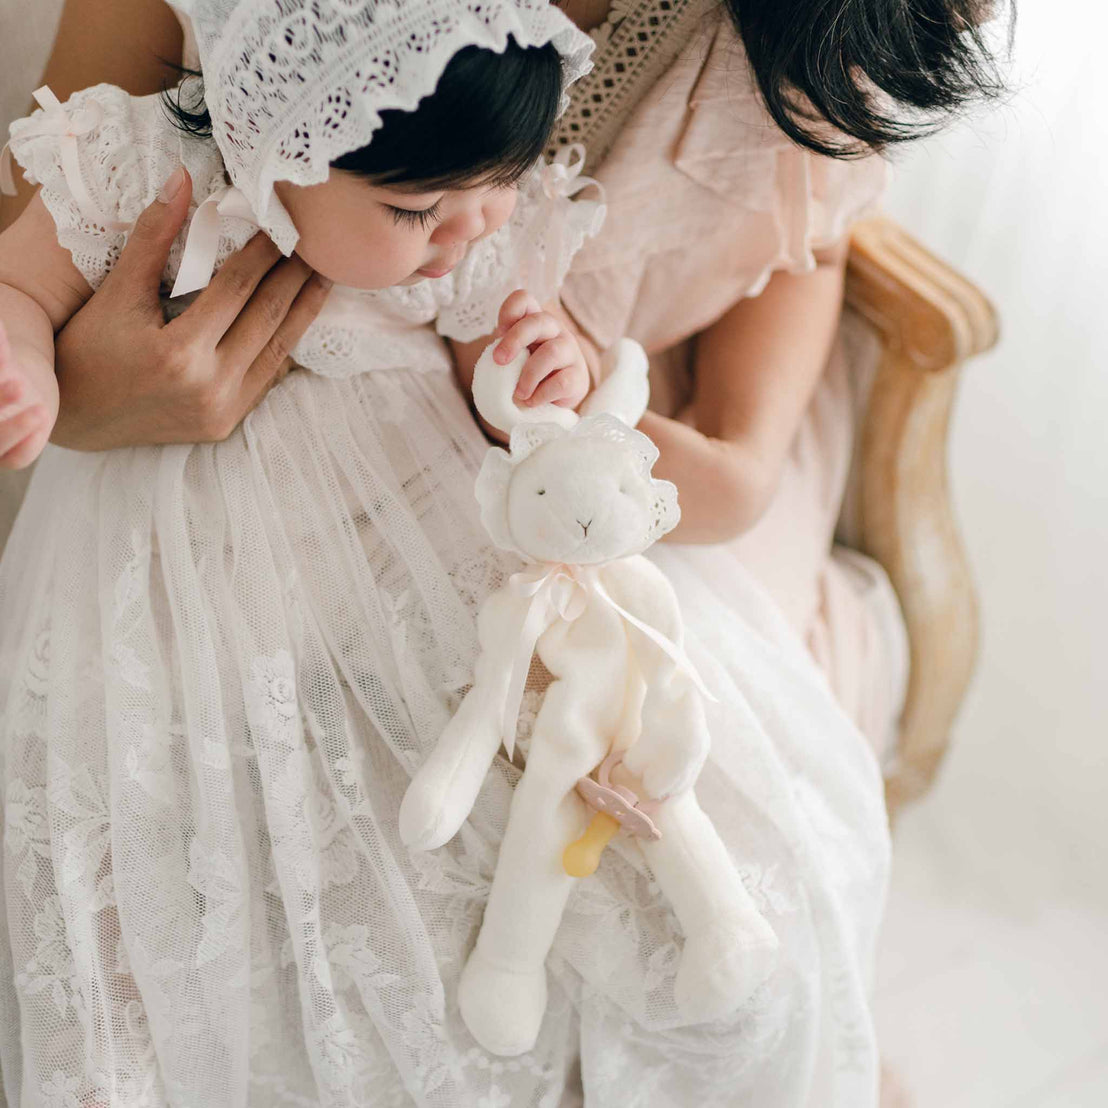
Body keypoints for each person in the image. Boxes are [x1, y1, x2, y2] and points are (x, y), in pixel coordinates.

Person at [0, 0, 1005, 1104]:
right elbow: (25, 271)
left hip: (539, 451)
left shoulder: (474, 229)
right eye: (421, 206)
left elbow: (518, 345)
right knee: (227, 826)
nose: (471, 225)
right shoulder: (158, 160)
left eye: (480, 201)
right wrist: (53, 377)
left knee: (685, 798)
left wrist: (551, 376)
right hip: (191, 501)